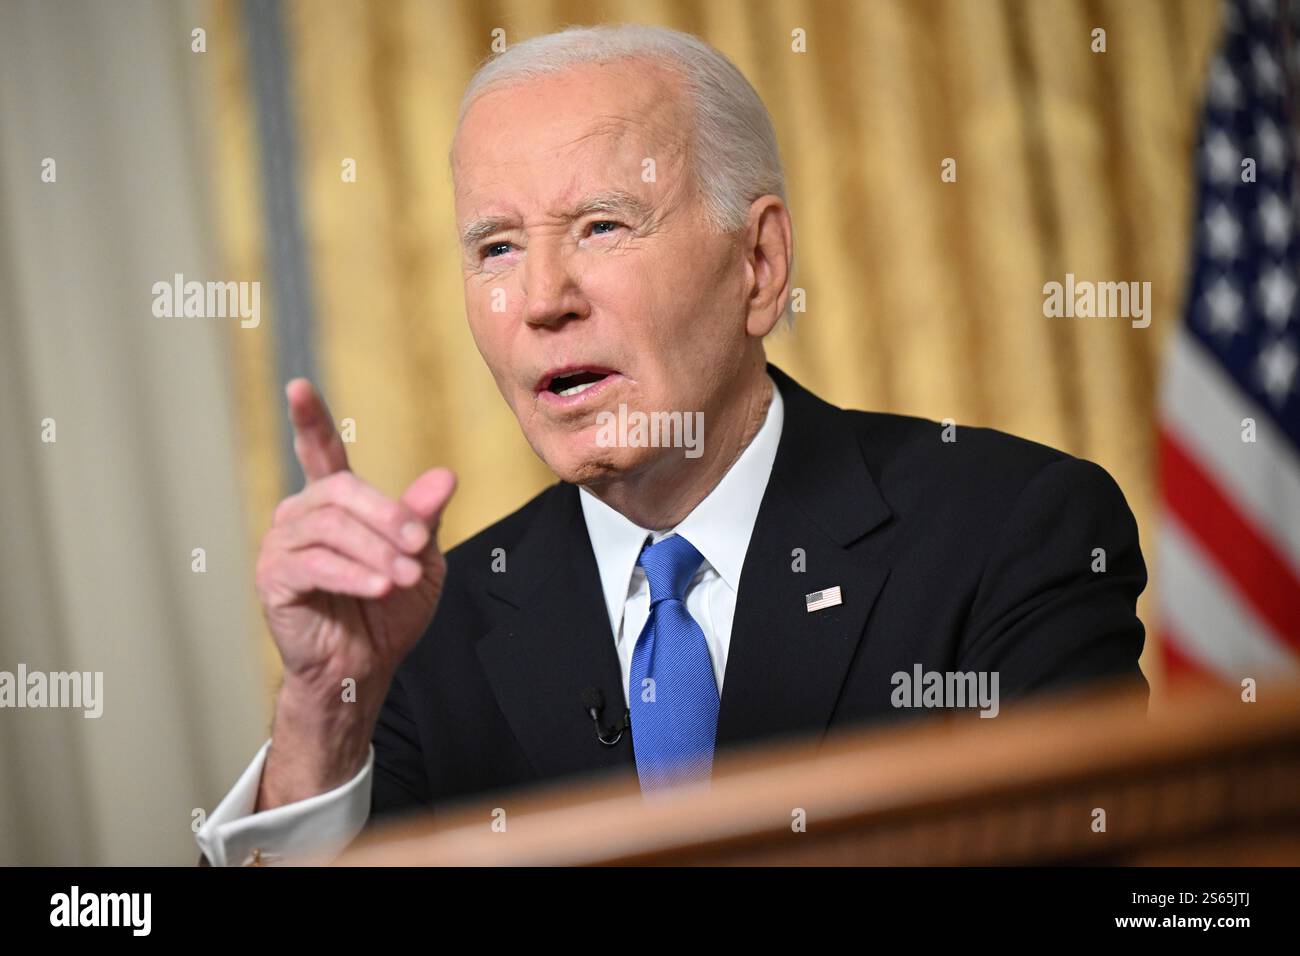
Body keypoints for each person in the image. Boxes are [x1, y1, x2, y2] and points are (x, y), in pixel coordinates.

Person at [196, 24, 1147, 866]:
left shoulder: (1007, 531)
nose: (542, 300)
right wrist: (321, 715)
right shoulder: (420, 644)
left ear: (759, 263)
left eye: (603, 226)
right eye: (496, 247)